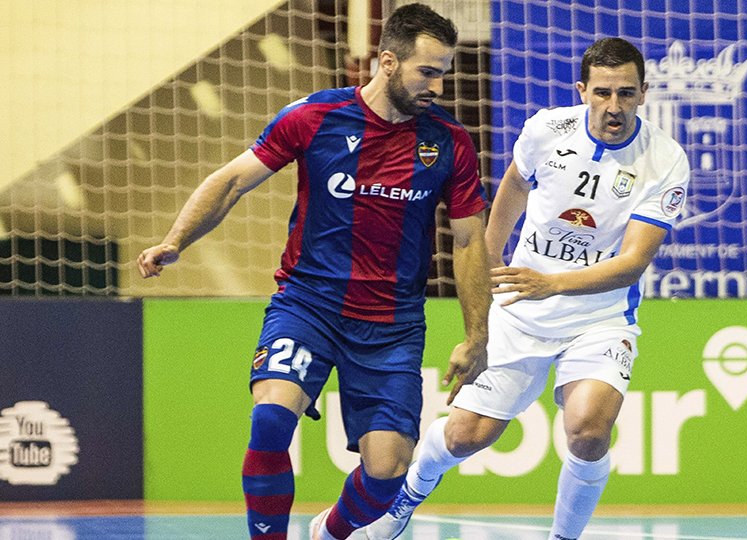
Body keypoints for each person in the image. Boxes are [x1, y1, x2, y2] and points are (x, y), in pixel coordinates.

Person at [136, 4, 491, 540]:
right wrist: (175, 240)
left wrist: (477, 334)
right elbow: (233, 180)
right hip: (308, 306)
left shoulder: (449, 142)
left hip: (391, 326)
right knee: (271, 420)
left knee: (388, 475)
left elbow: (468, 241)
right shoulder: (315, 116)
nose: (438, 86)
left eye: (444, 72)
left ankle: (331, 532)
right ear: (388, 62)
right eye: (428, 71)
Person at [365, 37, 691, 540]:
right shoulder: (547, 129)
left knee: (588, 430)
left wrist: (550, 283)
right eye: (602, 92)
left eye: (627, 93)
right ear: (582, 90)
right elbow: (516, 184)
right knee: (465, 436)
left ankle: (563, 537)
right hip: (521, 308)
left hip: (599, 318)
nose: (614, 106)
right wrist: (489, 263)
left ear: (644, 93)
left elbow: (631, 264)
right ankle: (401, 503)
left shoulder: (665, 159)